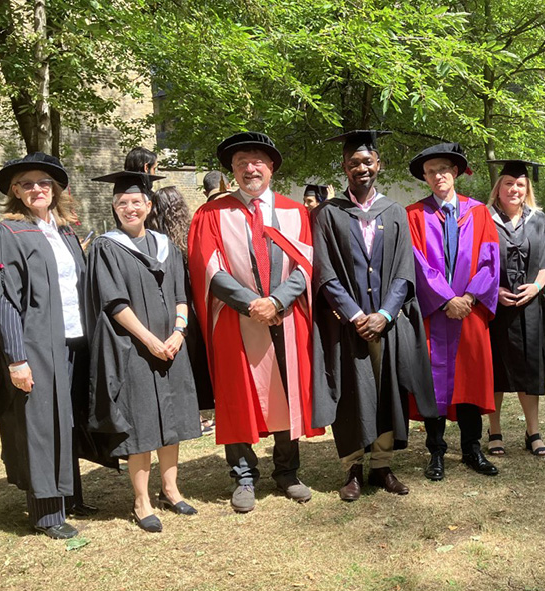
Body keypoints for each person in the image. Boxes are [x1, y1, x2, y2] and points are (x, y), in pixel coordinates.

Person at [0, 152, 114, 539]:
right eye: (26, 184)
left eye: (44, 182)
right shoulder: (9, 235)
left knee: (69, 421)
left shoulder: (64, 232)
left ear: (55, 188)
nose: (37, 189)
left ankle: (70, 497)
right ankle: (46, 512)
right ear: (15, 191)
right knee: (40, 425)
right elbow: (5, 302)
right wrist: (16, 359)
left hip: (74, 343)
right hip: (37, 347)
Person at [187, 132, 322, 509]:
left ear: (271, 167)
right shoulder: (211, 214)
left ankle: (287, 471)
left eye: (257, 161)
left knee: (287, 391)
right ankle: (244, 475)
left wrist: (277, 301)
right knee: (236, 394)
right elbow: (208, 267)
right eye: (241, 162)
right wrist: (252, 304)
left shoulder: (295, 212)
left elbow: (306, 265)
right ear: (231, 170)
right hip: (236, 319)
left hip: (286, 317)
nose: (250, 168)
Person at [311, 130, 437, 501]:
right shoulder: (328, 214)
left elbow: (404, 271)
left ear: (378, 164)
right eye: (354, 163)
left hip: (385, 324)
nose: (361, 168)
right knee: (351, 392)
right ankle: (352, 467)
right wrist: (354, 314)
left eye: (367, 161)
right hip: (347, 325)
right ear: (344, 167)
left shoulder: (394, 212)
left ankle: (382, 465)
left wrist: (384, 314)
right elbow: (325, 272)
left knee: (386, 390)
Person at [85, 172, 202, 532]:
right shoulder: (107, 247)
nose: (130, 208)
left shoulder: (166, 245)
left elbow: (181, 295)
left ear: (149, 206)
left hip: (172, 347)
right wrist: (150, 340)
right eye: (122, 203)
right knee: (142, 424)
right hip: (133, 348)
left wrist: (179, 332)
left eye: (136, 202)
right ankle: (141, 500)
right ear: (115, 208)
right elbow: (114, 303)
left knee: (172, 420)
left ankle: (171, 489)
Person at [406, 142, 500, 480]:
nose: (437, 176)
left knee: (470, 379)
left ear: (455, 172)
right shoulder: (414, 215)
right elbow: (416, 263)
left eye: (443, 169)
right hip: (436, 313)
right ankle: (436, 452)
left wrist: (470, 297)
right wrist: (447, 300)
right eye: (430, 172)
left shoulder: (479, 212)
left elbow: (490, 261)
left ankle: (472, 449)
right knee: (433, 382)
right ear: (425, 178)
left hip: (470, 313)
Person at [484, 159, 545, 457]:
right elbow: (474, 261)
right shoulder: (483, 218)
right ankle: (494, 431)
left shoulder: (539, 220)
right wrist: (492, 291)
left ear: (527, 189)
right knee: (495, 371)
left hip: (530, 308)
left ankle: (534, 432)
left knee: (530, 371)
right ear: (498, 188)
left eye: (520, 184)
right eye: (508, 183)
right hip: (495, 309)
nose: (514, 189)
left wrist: (537, 287)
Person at [150, 186, 216, 436]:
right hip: (191, 306)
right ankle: (196, 414)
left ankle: (189, 415)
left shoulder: (153, 241)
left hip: (167, 307)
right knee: (193, 360)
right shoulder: (189, 235)